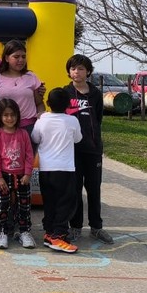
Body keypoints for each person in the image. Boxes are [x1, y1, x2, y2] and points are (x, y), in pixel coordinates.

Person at [63, 54, 114, 245]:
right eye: (73, 68)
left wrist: (94, 141)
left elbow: (98, 119)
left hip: (92, 150)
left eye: (81, 68)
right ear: (69, 71)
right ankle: (75, 226)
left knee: (93, 189)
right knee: (74, 189)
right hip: (72, 150)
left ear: (88, 71)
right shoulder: (65, 92)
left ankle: (96, 227)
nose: (77, 72)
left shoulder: (95, 94)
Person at [31, 87, 82, 253]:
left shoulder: (41, 120)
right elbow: (78, 139)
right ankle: (58, 236)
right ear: (68, 104)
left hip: (46, 169)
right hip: (65, 168)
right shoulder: (72, 121)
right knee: (66, 203)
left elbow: (35, 138)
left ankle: (49, 232)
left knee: (50, 202)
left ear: (47, 103)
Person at [0, 98, 35, 250]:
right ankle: (2, 233)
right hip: (4, 176)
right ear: (0, 117)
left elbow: (29, 154)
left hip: (22, 176)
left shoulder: (23, 134)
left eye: (13, 115)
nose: (10, 118)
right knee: (3, 206)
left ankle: (24, 232)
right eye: (6, 115)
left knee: (24, 206)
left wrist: (28, 173)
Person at [0, 39, 46, 144]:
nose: (21, 60)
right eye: (16, 57)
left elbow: (39, 104)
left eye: (23, 57)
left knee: (29, 160)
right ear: (6, 58)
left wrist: (41, 119)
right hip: (4, 128)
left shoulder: (31, 77)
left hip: (29, 129)